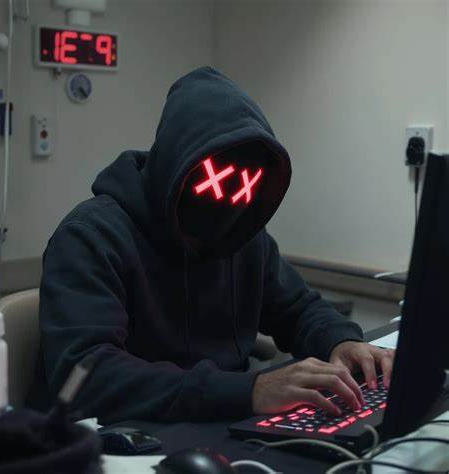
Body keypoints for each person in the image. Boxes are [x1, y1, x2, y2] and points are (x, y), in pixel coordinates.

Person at [29, 67, 394, 424]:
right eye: (215, 181)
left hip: (220, 424)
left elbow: (298, 309)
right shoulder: (90, 237)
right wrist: (249, 390)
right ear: (176, 165)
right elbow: (85, 376)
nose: (232, 198)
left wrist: (340, 342)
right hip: (124, 436)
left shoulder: (242, 235)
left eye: (247, 185)